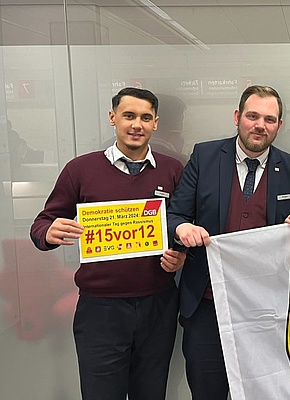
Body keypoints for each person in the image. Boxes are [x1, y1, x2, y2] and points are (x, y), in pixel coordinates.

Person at [29, 87, 186, 400]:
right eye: (128, 116)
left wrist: (180, 254)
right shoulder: (81, 169)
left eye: (145, 117)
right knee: (101, 393)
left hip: (158, 304)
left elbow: (184, 225)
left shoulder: (173, 170)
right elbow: (41, 225)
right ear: (113, 118)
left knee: (151, 391)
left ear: (155, 123)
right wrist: (48, 233)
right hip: (100, 307)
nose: (136, 124)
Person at [166, 84, 290, 400]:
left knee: (265, 393)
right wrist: (183, 230)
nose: (260, 125)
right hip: (207, 306)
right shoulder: (204, 156)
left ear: (279, 126)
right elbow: (174, 215)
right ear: (237, 117)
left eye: (270, 119)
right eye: (253, 116)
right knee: (207, 391)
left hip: (265, 310)